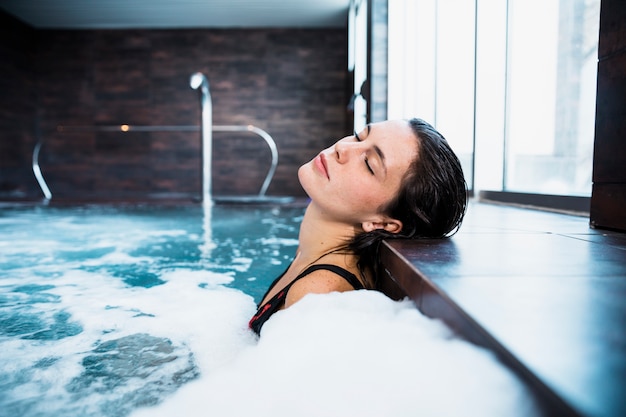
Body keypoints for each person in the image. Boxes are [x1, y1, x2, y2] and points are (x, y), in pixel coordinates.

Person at [249, 118, 467, 335]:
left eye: (369, 164)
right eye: (358, 136)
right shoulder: (315, 255)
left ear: (384, 223)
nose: (343, 148)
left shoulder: (317, 292)